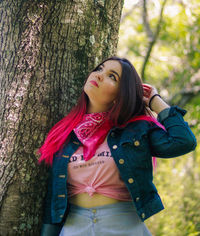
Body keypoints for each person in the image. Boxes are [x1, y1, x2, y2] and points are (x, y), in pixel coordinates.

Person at [39, 56, 197, 236]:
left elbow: (184, 141)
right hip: (75, 227)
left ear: (120, 96)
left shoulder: (135, 130)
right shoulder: (65, 132)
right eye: (99, 69)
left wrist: (155, 100)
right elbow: (53, 197)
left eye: (112, 76)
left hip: (124, 227)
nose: (99, 75)